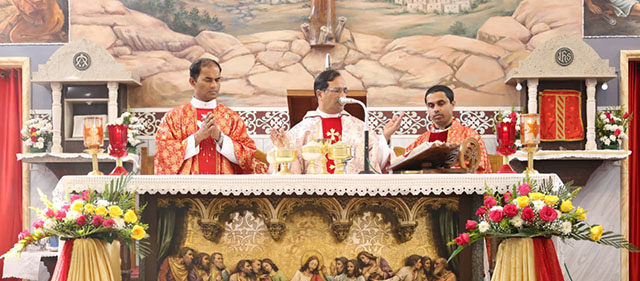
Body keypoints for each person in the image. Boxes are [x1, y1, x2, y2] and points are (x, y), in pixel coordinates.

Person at [269, 69, 403, 174]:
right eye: (337, 91)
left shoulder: (358, 128)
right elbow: (288, 173)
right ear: (320, 94)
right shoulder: (302, 130)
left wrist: (385, 136)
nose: (343, 95)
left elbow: (376, 161)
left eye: (345, 91)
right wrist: (282, 148)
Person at [155, 58, 264, 175]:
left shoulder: (231, 118)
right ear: (192, 82)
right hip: (187, 185)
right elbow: (163, 155)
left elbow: (248, 157)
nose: (214, 85)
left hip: (224, 185)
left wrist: (220, 138)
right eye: (208, 80)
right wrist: (197, 137)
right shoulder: (173, 117)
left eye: (217, 80)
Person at [403, 85, 491, 173]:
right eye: (431, 106)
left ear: (453, 104)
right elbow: (403, 165)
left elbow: (481, 169)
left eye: (441, 104)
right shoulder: (421, 141)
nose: (436, 109)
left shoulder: (470, 136)